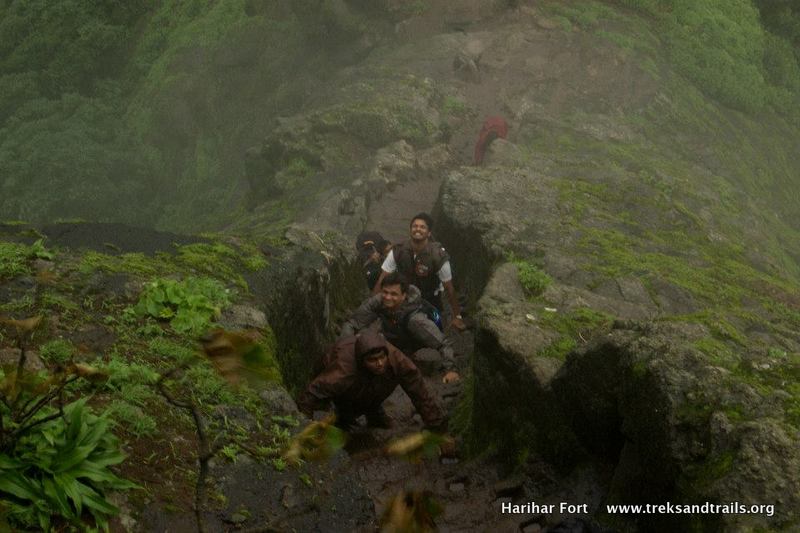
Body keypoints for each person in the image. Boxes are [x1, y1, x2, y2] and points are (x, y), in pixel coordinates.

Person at [297, 331, 446, 431]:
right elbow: (312, 392)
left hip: (371, 385)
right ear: (362, 361)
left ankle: (373, 412)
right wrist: (304, 428)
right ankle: (345, 415)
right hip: (341, 386)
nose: (380, 363)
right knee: (344, 405)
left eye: (382, 357)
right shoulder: (342, 372)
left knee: (383, 380)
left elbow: (419, 392)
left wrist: (436, 426)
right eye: (373, 360)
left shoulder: (398, 361)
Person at [342, 272, 460, 383]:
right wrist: (344, 351)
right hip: (392, 336)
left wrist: (451, 370)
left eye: (394, 294)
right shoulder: (378, 301)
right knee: (365, 337)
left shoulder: (416, 320)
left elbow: (443, 343)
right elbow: (352, 323)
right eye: (385, 292)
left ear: (404, 296)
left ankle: (406, 356)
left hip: (414, 339)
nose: (388, 297)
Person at [372, 213, 466, 331]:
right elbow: (382, 278)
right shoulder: (398, 251)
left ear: (429, 233)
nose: (418, 229)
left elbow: (449, 289)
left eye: (422, 227)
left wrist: (457, 316)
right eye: (415, 226)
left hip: (429, 301)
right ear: (410, 230)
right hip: (404, 298)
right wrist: (373, 306)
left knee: (434, 330)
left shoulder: (438, 256)